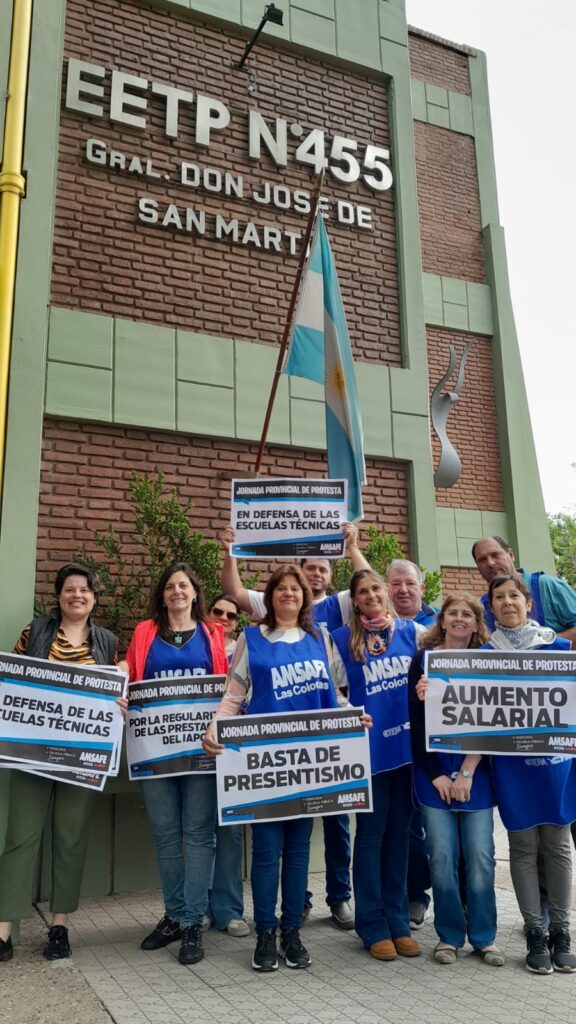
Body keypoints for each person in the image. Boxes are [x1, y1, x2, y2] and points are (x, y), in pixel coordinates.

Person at [203, 565, 369, 972]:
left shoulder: (321, 638)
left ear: (304, 597)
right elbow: (234, 695)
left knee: (297, 853)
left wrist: (353, 717)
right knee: (265, 852)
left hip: (309, 765)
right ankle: (265, 932)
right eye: (281, 588)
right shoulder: (251, 638)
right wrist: (214, 727)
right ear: (271, 596)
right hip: (265, 766)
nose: (289, 594)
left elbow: (336, 695)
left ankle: (291, 931)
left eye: (296, 588)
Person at [0, 564, 119, 963]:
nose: (77, 595)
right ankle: (2, 931)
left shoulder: (107, 641)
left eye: (85, 590)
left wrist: (118, 702)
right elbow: (10, 683)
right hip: (31, 754)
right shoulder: (35, 632)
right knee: (20, 838)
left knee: (70, 839)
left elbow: (110, 697)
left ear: (94, 598)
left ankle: (59, 927)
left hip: (80, 759)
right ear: (59, 595)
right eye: (70, 589)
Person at [122, 562, 228, 966]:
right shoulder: (145, 632)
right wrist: (117, 683)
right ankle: (174, 915)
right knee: (165, 834)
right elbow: (130, 673)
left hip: (201, 751)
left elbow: (228, 688)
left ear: (195, 593)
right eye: (170, 586)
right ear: (162, 595)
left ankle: (192, 922)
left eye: (184, 585)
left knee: (199, 835)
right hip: (155, 750)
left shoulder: (213, 633)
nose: (177, 591)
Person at [484, 573, 576, 974]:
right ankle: (534, 932)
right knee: (522, 847)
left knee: (557, 845)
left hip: (556, 762)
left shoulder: (559, 649)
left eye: (514, 596)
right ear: (491, 607)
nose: (507, 602)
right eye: (499, 597)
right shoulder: (483, 656)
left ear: (528, 603)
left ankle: (561, 931)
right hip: (511, 765)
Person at [330, 569, 421, 962]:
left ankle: (398, 920)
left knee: (400, 835)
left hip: (407, 751)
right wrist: (348, 711)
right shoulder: (340, 640)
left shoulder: (413, 633)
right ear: (354, 600)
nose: (370, 595)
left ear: (385, 592)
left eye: (375, 589)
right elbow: (331, 690)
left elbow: (436, 674)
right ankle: (371, 924)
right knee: (370, 836)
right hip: (368, 753)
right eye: (362, 591)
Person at [409, 594, 504, 966]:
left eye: (467, 614)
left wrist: (466, 771)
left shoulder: (487, 662)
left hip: (475, 772)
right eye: (453, 613)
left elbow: (492, 720)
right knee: (442, 857)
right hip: (432, 775)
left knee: (480, 857)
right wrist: (436, 775)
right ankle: (448, 936)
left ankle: (484, 937)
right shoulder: (423, 661)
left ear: (477, 623)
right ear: (442, 620)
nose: (460, 619)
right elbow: (415, 723)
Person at [386, 558, 437, 929]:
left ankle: (425, 895)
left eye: (409, 583)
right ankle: (408, 894)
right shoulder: (375, 630)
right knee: (400, 827)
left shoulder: (436, 629)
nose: (402, 589)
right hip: (387, 743)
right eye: (395, 584)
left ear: (422, 587)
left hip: (430, 745)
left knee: (430, 827)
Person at [203, 593, 249, 937]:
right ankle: (199, 905)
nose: (223, 618)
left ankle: (230, 909)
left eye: (231, 615)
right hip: (195, 752)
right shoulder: (197, 647)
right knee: (200, 832)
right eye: (217, 611)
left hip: (235, 752)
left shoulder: (244, 651)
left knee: (231, 832)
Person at [472, 536, 576, 647]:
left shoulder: (548, 586)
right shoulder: (481, 606)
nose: (490, 563)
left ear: (511, 555)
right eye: (482, 560)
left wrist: (543, 643)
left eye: (495, 555)